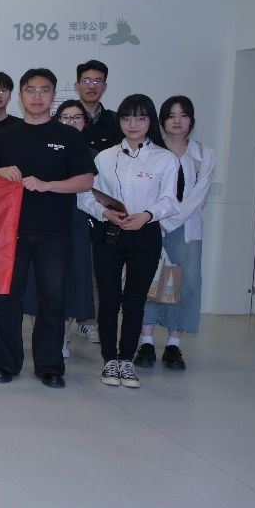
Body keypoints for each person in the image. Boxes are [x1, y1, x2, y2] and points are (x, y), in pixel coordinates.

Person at [0, 68, 96, 389]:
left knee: (52, 300)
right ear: (21, 95)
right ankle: (6, 363)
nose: (37, 96)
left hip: (54, 231)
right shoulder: (4, 137)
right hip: (10, 233)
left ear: (54, 95)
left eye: (44, 90)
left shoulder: (68, 136)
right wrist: (0, 172)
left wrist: (48, 185)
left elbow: (86, 180)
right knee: (6, 300)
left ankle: (49, 366)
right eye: (30, 90)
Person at [78, 95, 180, 388]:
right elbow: (85, 195)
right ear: (119, 121)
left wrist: (147, 215)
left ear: (150, 121)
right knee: (109, 300)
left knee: (135, 301)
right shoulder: (105, 157)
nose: (132, 124)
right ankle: (109, 360)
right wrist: (105, 213)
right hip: (110, 232)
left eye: (140, 118)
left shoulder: (165, 159)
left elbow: (170, 200)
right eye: (126, 118)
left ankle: (126, 360)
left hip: (146, 233)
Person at [138, 95, 215, 372]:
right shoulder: (150, 150)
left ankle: (173, 344)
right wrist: (154, 219)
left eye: (183, 115)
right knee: (148, 281)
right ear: (162, 121)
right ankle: (146, 342)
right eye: (171, 115)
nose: (177, 121)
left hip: (185, 228)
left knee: (186, 284)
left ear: (191, 120)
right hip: (151, 224)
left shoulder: (204, 154)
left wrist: (167, 222)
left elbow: (197, 196)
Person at [21, 100, 98, 358]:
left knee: (73, 282)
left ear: (85, 123)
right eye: (65, 117)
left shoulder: (93, 154)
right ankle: (42, 336)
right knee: (38, 283)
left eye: (77, 118)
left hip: (77, 224)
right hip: (43, 223)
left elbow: (92, 190)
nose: (71, 122)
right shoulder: (45, 148)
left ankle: (61, 338)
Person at [75, 60, 123, 152]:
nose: (92, 86)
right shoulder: (64, 119)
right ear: (77, 86)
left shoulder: (116, 120)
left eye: (98, 81)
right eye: (87, 81)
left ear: (105, 86)